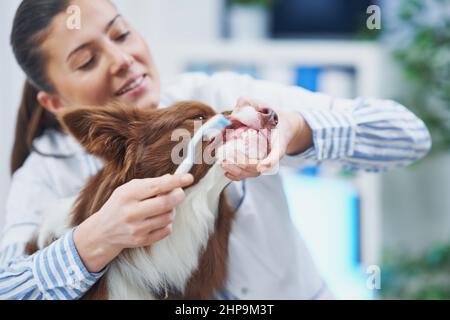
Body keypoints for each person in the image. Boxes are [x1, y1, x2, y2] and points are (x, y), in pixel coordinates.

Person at [0, 0, 431, 300]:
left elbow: (410, 134)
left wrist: (295, 132)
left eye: (122, 35)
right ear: (56, 103)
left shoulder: (223, 98)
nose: (122, 60)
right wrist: (92, 241)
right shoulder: (47, 176)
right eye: (87, 60)